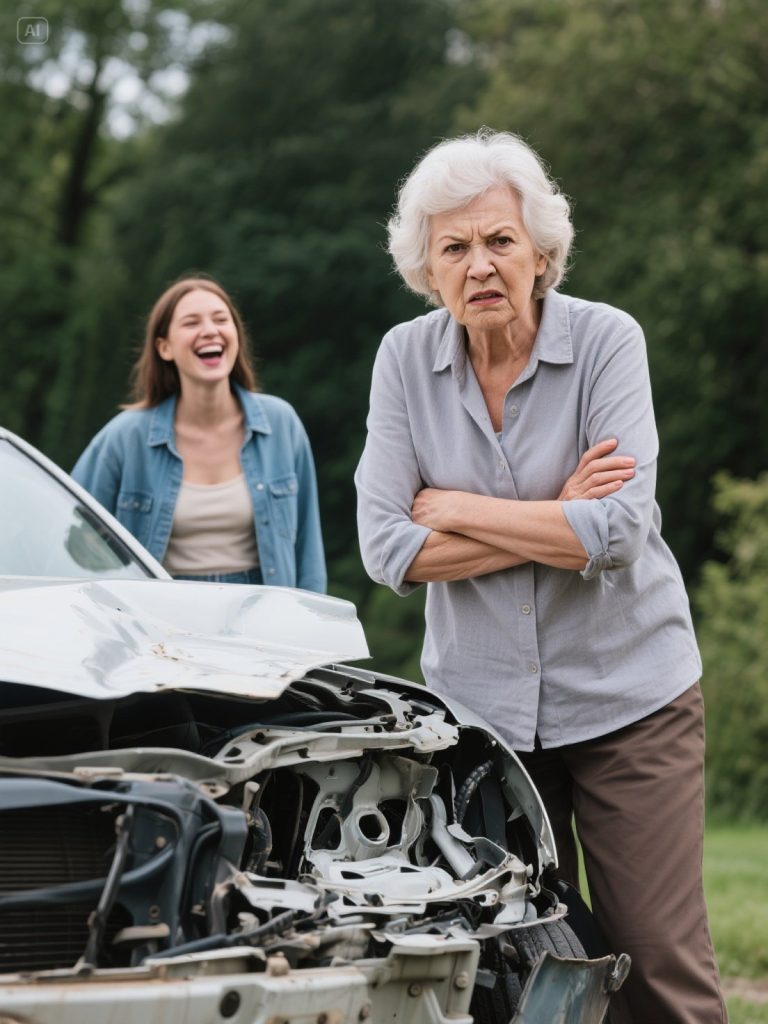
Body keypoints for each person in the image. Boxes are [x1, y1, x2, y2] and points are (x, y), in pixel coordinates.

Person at [355, 131, 726, 1024]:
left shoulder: (606, 342)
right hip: (483, 721)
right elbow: (386, 551)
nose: (479, 265)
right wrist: (556, 516)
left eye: (499, 241)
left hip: (629, 699)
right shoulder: (405, 360)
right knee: (502, 965)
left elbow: (621, 530)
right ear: (427, 270)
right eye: (455, 248)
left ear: (540, 253)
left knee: (659, 962)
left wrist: (455, 508)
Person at [73, 276, 326, 592]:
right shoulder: (125, 437)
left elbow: (308, 551)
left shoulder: (281, 424)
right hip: (161, 619)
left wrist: (307, 628)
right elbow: (72, 538)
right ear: (164, 348)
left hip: (264, 615)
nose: (210, 330)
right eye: (191, 322)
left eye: (221, 320)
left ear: (235, 336)